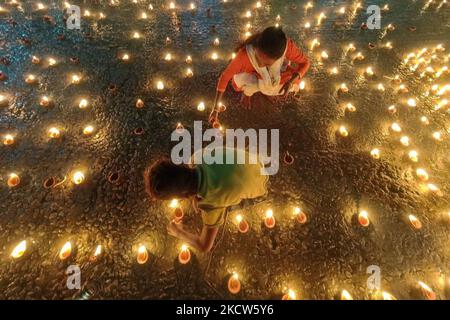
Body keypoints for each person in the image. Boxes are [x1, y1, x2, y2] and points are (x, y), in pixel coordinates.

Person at [144, 148, 268, 252]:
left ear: (181, 195)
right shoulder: (197, 157)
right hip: (254, 160)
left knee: (224, 205)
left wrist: (178, 232)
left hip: (261, 185)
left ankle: (257, 196)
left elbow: (204, 246)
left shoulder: (210, 205)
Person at [209, 26, 310, 123]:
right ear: (256, 46)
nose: (260, 65)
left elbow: (305, 63)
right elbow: (225, 77)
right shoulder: (245, 54)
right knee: (239, 81)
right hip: (251, 75)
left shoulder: (287, 47)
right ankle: (248, 93)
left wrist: (290, 81)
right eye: (257, 59)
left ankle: (267, 88)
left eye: (266, 63)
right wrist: (215, 109)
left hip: (276, 74)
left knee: (293, 83)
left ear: (280, 57)